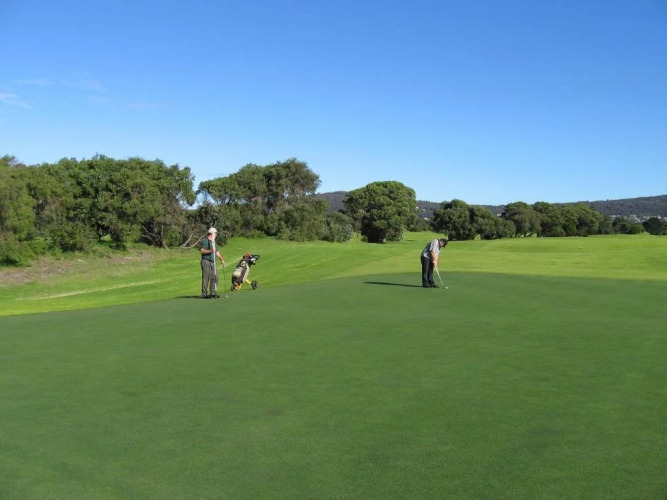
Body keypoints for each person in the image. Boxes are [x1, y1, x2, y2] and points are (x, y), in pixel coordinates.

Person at [200, 227, 226, 298]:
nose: (216, 235)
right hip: (206, 261)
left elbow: (217, 252)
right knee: (206, 277)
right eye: (215, 233)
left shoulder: (213, 242)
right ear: (211, 234)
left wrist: (222, 259)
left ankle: (213, 293)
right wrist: (211, 251)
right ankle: (204, 294)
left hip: (213, 262)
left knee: (215, 276)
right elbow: (202, 251)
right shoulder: (205, 241)